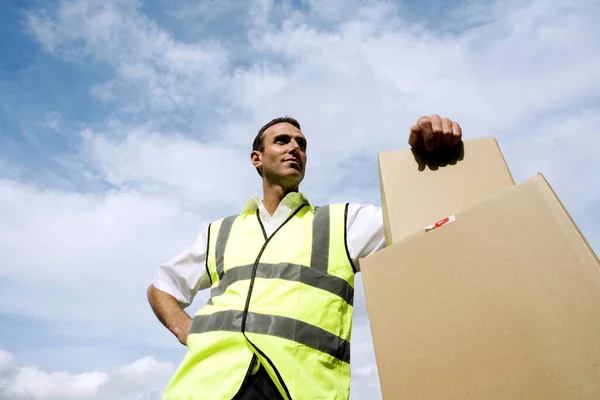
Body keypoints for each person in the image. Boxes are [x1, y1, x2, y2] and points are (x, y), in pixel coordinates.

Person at [148, 115, 463, 399]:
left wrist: (433, 162)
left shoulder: (342, 223)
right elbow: (162, 287)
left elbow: (429, 218)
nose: (294, 148)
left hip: (299, 389)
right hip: (208, 388)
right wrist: (185, 329)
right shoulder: (221, 231)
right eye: (282, 141)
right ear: (257, 159)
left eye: (302, 144)